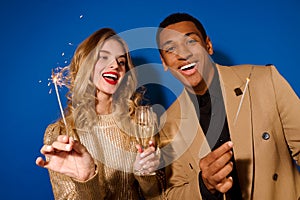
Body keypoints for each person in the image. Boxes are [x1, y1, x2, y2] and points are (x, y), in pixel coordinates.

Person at [155, 12, 300, 199]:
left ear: (208, 45)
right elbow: (169, 195)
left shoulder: (265, 80)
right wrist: (204, 185)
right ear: (164, 62)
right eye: (171, 49)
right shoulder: (167, 125)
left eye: (191, 42)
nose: (183, 54)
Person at [36, 28, 165, 199]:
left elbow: (158, 195)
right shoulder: (60, 134)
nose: (114, 66)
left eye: (121, 62)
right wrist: (87, 179)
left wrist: (146, 176)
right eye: (103, 57)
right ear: (86, 65)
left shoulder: (143, 120)